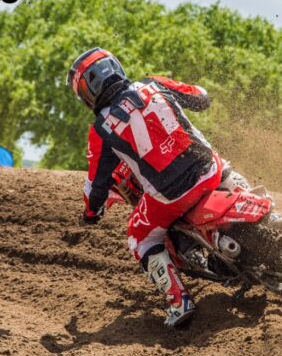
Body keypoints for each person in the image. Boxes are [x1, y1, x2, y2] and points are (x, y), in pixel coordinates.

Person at [67, 48, 245, 327]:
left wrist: (91, 213)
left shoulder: (102, 129)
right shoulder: (154, 84)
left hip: (171, 196)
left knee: (139, 237)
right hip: (210, 170)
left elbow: (96, 186)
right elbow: (201, 97)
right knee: (225, 170)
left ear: (87, 93)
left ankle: (179, 302)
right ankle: (271, 215)